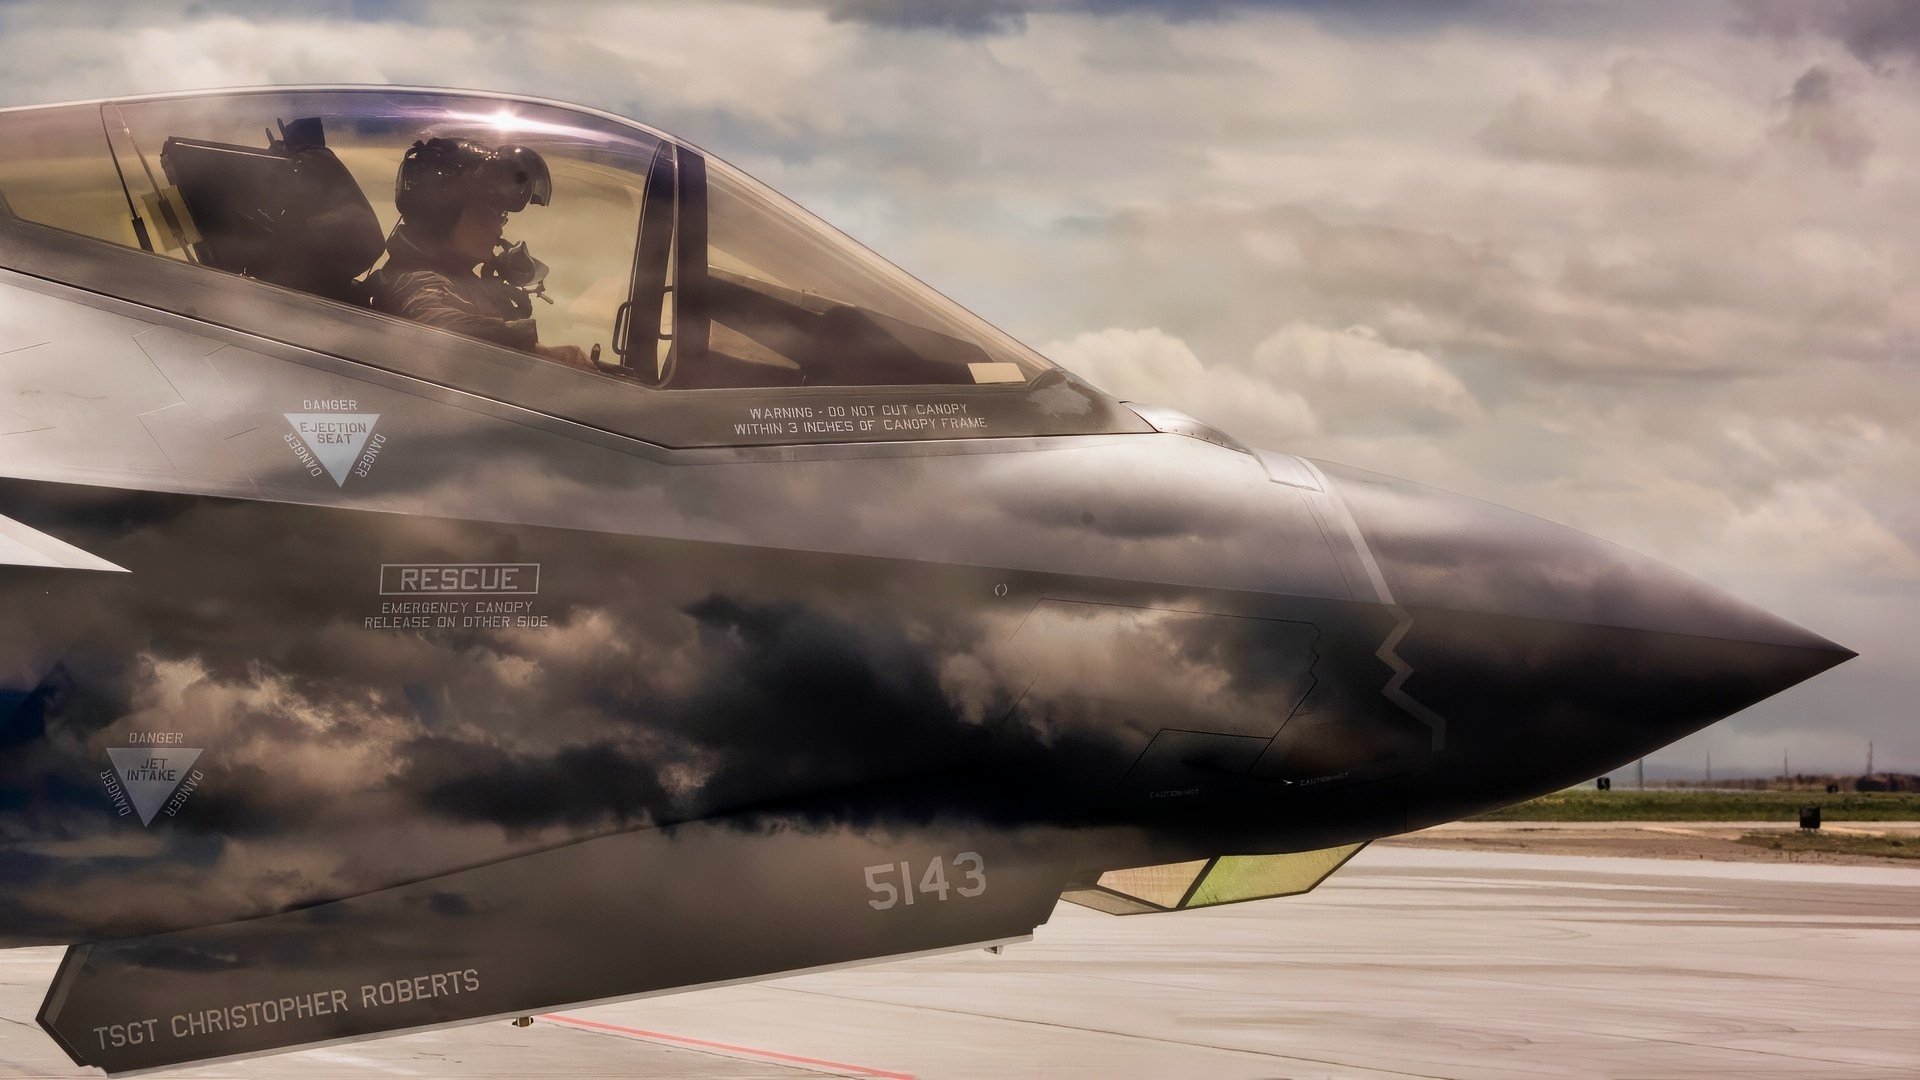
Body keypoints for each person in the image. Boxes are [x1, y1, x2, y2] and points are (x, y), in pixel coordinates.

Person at [368, 137, 591, 370]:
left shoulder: (454, 276)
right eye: (487, 214)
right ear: (441, 215)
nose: (498, 229)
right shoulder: (415, 279)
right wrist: (537, 351)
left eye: (501, 216)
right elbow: (434, 324)